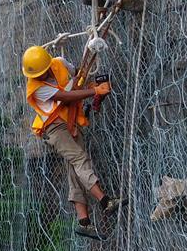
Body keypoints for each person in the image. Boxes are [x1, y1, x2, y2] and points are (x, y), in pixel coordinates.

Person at [22, 44, 120, 238]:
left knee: (74, 170)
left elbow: (78, 76)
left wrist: (90, 84)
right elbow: (65, 96)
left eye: (42, 72)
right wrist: (95, 91)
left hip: (70, 121)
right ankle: (106, 201)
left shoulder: (59, 63)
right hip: (54, 128)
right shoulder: (36, 88)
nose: (40, 77)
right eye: (36, 75)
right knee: (79, 159)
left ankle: (84, 222)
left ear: (48, 64)